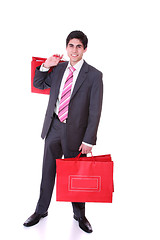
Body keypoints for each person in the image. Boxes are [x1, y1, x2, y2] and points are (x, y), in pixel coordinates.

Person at [23, 30, 103, 233]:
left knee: (76, 176)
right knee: (47, 171)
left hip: (77, 134)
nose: (74, 50)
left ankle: (79, 215)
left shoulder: (94, 75)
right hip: (54, 127)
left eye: (78, 46)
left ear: (85, 49)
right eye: (71, 46)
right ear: (66, 47)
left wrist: (89, 140)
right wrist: (45, 66)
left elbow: (95, 111)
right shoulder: (58, 69)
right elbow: (38, 83)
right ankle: (41, 211)